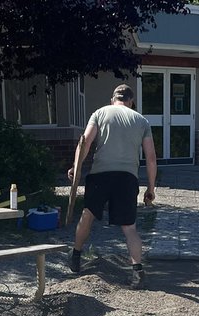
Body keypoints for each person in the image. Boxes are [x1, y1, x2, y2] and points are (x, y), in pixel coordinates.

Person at [67, 84, 157, 288]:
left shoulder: (100, 113)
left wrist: (76, 167)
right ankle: (137, 270)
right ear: (131, 102)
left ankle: (75, 257)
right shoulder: (141, 120)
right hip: (127, 178)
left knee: (88, 215)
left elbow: (85, 143)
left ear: (112, 100)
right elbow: (151, 158)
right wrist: (150, 188)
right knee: (130, 227)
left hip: (100, 175)